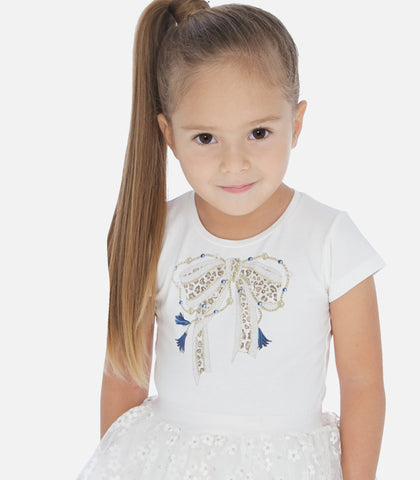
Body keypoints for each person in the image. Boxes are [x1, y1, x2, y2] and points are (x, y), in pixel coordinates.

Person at [77, 0, 386, 478]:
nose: (234, 163)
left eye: (258, 132)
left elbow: (363, 385)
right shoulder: (157, 233)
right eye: (206, 138)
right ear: (169, 135)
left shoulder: (330, 239)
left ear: (296, 124)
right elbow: (124, 376)